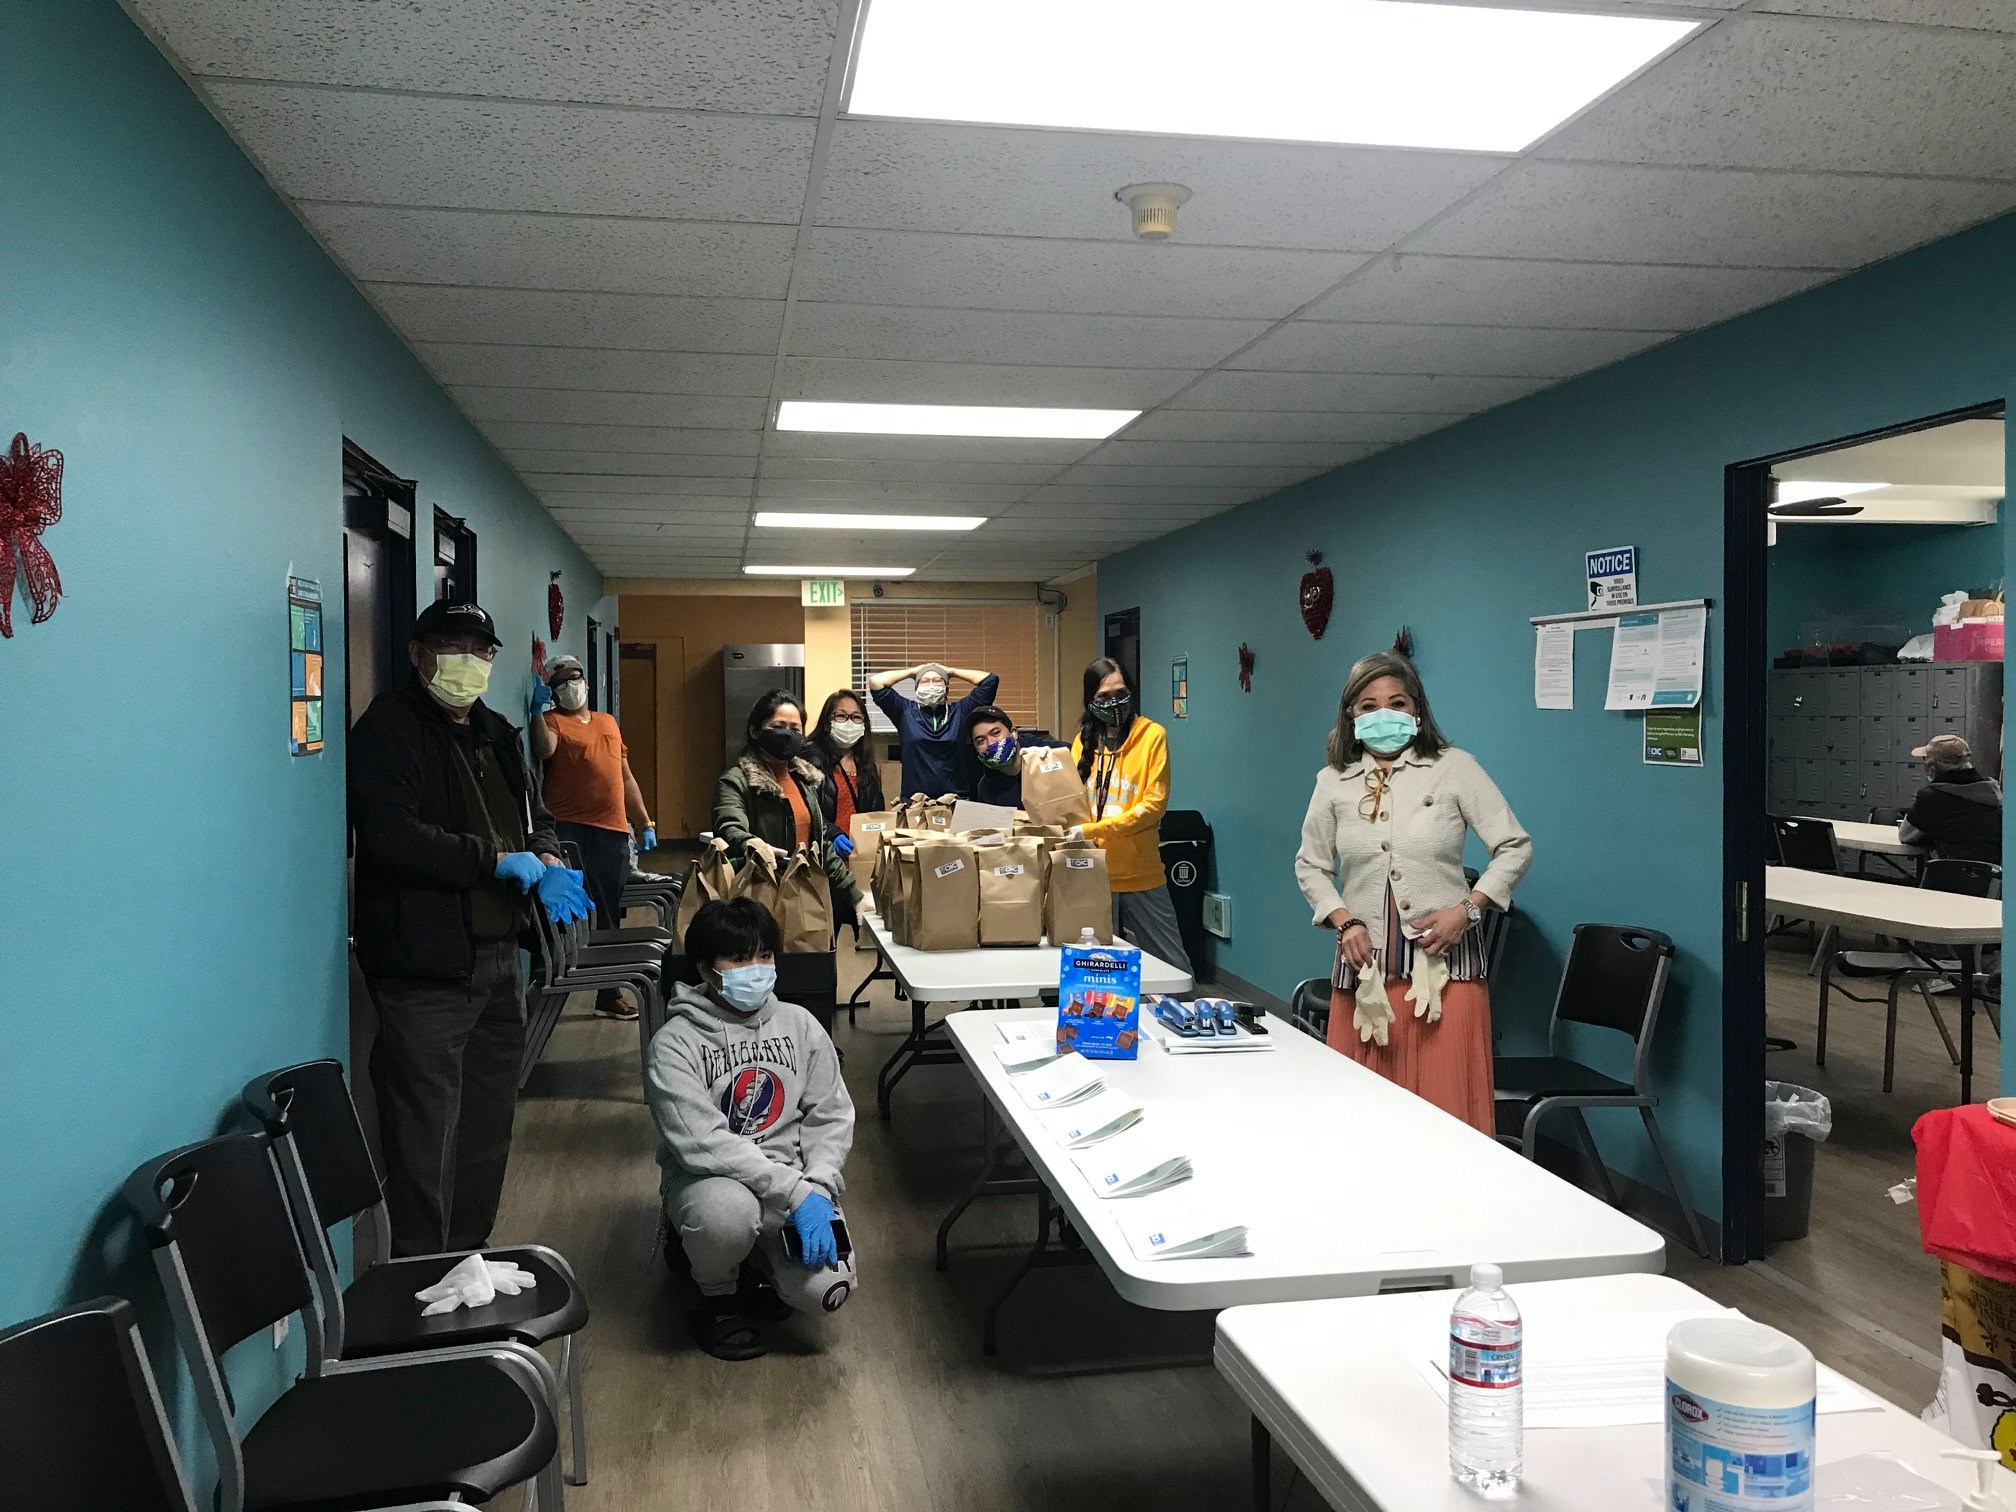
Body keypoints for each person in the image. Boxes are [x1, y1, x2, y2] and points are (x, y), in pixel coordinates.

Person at [348, 598, 593, 1257]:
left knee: (488, 1125)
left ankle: (469, 1257)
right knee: (424, 1134)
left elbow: (533, 814)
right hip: (425, 969)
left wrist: (544, 854)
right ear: (417, 653)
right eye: (452, 647)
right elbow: (389, 836)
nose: (470, 661)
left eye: (481, 650)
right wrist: (489, 860)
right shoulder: (389, 730)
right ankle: (420, 1274)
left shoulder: (496, 732)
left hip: (496, 961)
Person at [1294, 652, 1531, 1135]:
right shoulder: (1333, 782)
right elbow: (1311, 865)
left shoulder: (1454, 768)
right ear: (1351, 716)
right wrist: (1344, 919)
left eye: (1396, 703)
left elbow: (1514, 847)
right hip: (1367, 970)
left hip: (1444, 972)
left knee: (1446, 1118)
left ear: (1417, 711)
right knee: (1365, 1116)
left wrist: (1468, 909)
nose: (1383, 714)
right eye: (1368, 705)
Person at [646, 897, 857, 1360]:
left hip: (793, 1181)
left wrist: (818, 1187)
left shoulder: (799, 1024)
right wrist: (795, 1193)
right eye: (739, 958)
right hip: (713, 1180)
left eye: (765, 955)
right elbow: (703, 1143)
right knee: (724, 1218)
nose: (756, 969)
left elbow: (831, 1113)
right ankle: (714, 1293)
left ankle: (756, 1263)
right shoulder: (674, 1043)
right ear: (705, 969)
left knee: (829, 1289)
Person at [528, 654, 658, 1019]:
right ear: (552, 691)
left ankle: (608, 992)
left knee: (606, 911)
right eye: (561, 682)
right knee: (562, 909)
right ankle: (549, 976)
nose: (571, 686)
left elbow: (625, 776)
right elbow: (545, 749)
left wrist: (644, 821)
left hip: (612, 830)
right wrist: (537, 713)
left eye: (575, 678)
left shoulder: (608, 722)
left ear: (586, 681)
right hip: (569, 830)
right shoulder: (553, 721)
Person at [1070, 658, 1192, 974]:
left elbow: (1152, 807)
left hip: (1141, 874)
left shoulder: (1152, 736)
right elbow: (1070, 803)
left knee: (1173, 969)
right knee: (1097, 972)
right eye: (1103, 697)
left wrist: (1093, 830)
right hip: (1093, 877)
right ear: (1090, 701)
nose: (1114, 702)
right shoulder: (1082, 742)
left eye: (1120, 692)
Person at [712, 689, 864, 915]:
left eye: (795, 729)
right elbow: (729, 828)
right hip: (756, 899)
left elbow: (821, 846)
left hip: (805, 898)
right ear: (755, 730)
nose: (787, 734)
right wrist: (754, 846)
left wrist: (855, 897)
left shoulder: (804, 781)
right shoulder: (735, 782)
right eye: (778, 726)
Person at [869, 661, 998, 799]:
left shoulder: (961, 711)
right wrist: (913, 671)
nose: (931, 685)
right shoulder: (905, 712)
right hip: (915, 802)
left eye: (937, 680)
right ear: (916, 688)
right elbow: (876, 682)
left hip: (956, 800)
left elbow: (990, 681)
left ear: (946, 687)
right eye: (924, 681)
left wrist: (950, 671)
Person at [1901, 734, 2002, 863]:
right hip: (1992, 876)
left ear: (1933, 767)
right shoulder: (1991, 791)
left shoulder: (1931, 797)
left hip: (1951, 875)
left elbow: (1905, 835)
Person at [966, 703, 1066, 809]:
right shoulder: (987, 788)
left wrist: (1055, 761)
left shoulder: (1052, 751)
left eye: (995, 733)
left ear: (1014, 733)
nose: (990, 743)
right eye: (981, 741)